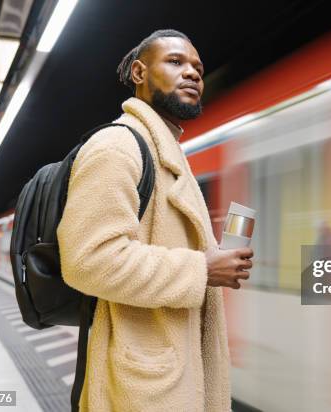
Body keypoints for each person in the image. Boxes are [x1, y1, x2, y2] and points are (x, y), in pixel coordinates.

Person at [57, 29, 253, 412]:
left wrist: (217, 263)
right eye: (176, 62)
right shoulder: (117, 148)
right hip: (142, 386)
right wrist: (202, 268)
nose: (193, 73)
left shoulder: (167, 154)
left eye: (197, 67)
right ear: (138, 73)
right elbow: (87, 261)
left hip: (170, 376)